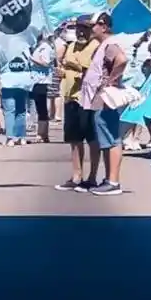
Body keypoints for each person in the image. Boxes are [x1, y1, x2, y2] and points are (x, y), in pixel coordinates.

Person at [80, 12, 127, 195]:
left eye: (93, 26)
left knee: (112, 138)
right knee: (106, 139)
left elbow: (121, 60)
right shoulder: (102, 45)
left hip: (106, 98)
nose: (90, 29)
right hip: (100, 99)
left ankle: (113, 181)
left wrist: (111, 80)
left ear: (104, 26)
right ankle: (109, 179)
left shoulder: (110, 44)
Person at [54, 17, 101, 191]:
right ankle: (76, 176)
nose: (81, 32)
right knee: (74, 140)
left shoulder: (96, 47)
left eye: (85, 29)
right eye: (79, 28)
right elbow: (65, 68)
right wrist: (61, 72)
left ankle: (92, 177)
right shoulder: (71, 46)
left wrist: (77, 67)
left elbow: (96, 71)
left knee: (92, 139)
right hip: (70, 97)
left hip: (87, 99)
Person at [29, 34, 56, 143]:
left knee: (41, 108)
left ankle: (42, 134)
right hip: (35, 80)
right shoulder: (37, 47)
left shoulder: (45, 48)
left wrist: (31, 59)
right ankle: (43, 134)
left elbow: (46, 63)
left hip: (42, 81)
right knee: (38, 107)